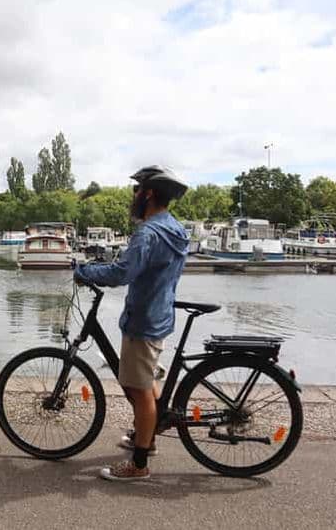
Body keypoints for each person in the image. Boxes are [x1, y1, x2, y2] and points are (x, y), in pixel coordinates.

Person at [74, 165, 189, 481]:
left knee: (136, 390)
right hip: (160, 314)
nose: (134, 196)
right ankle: (146, 432)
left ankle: (140, 462)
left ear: (149, 193)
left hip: (143, 320)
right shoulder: (175, 229)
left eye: (136, 190)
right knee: (141, 379)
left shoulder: (149, 233)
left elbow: (120, 273)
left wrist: (83, 272)